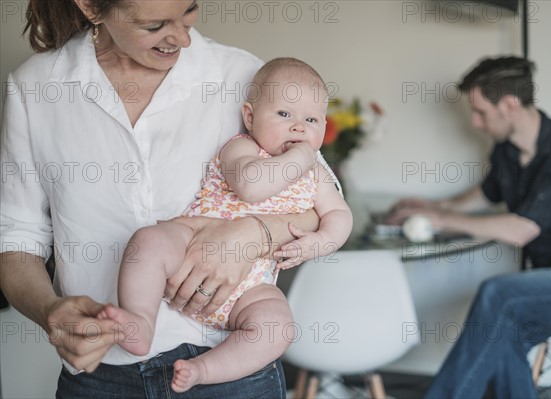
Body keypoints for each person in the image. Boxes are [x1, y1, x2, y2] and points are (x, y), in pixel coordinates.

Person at [0, 1, 330, 397]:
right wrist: (49, 311)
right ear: (90, 7)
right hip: (102, 377)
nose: (183, 37)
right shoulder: (35, 87)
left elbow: (318, 196)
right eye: (155, 25)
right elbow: (16, 239)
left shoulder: (242, 74)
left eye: (189, 12)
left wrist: (253, 235)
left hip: (231, 367)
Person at [98, 57, 353, 392]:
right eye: (284, 114)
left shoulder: (318, 177)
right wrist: (300, 158)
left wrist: (318, 243)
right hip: (192, 244)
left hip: (252, 289)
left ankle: (202, 370)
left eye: (311, 119)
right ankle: (140, 321)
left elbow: (340, 216)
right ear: (250, 117)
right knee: (148, 241)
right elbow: (251, 186)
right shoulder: (243, 147)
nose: (298, 127)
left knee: (278, 328)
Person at [387, 56, 551, 398]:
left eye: (481, 112)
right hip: (544, 291)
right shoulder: (506, 152)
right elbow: (484, 195)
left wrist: (440, 221)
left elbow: (521, 230)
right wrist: (433, 206)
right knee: (499, 333)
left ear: (510, 105)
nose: (475, 122)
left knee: (498, 294)